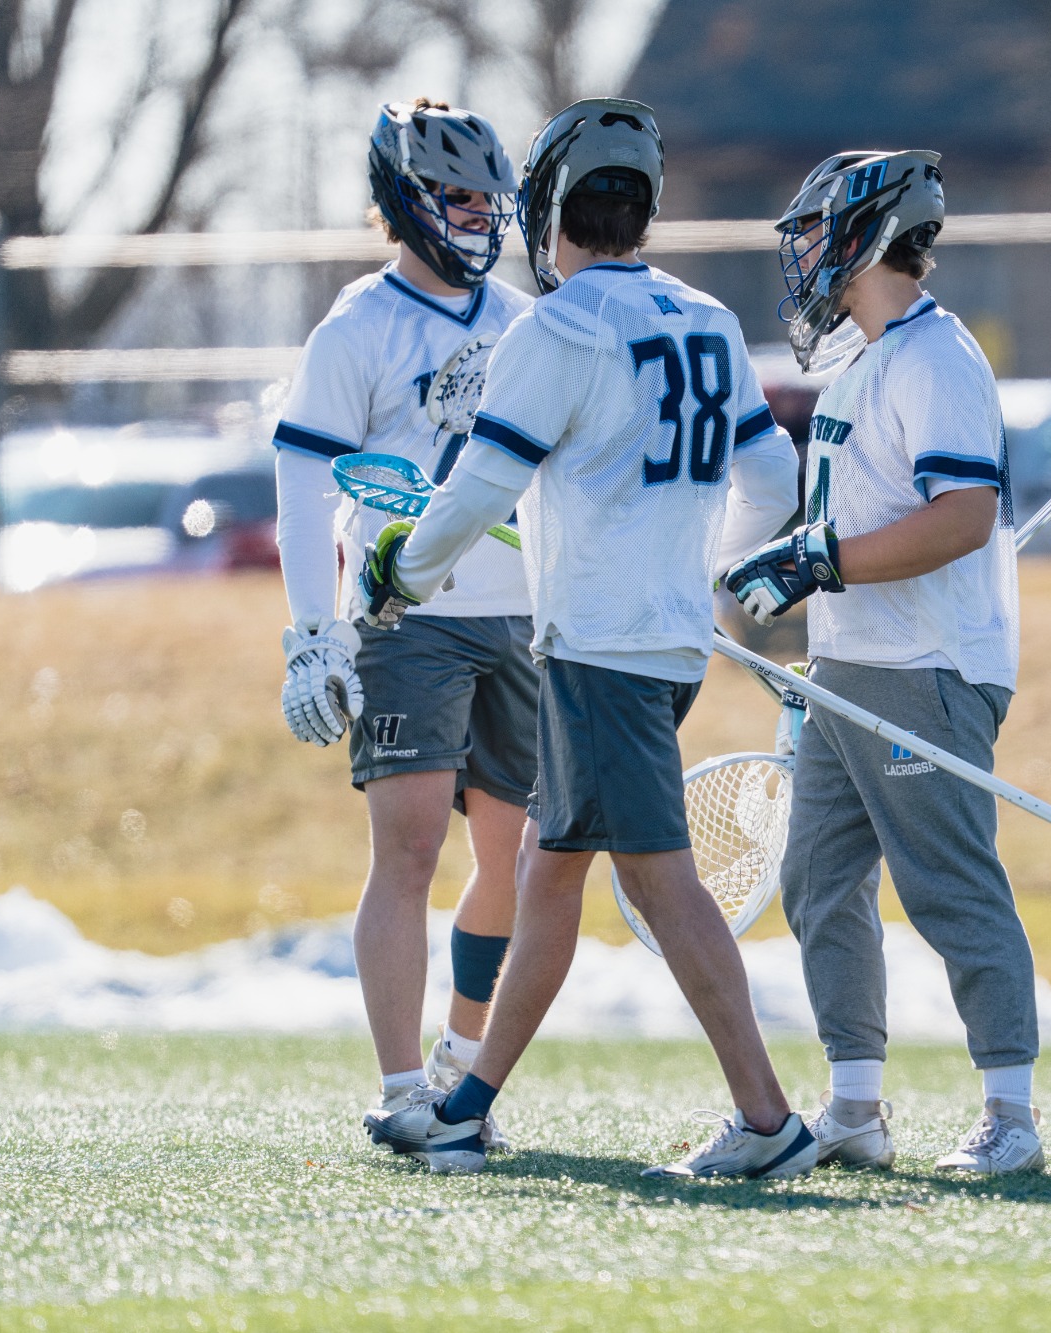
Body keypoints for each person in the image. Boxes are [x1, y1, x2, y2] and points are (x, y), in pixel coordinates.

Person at [357, 98, 813, 1179]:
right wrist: (691, 566)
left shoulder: (553, 326)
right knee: (552, 873)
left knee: (660, 883)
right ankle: (465, 1103)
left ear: (547, 209)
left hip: (601, 648)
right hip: (660, 642)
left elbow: (477, 486)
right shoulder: (701, 316)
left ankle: (766, 1120)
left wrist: (401, 573)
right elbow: (772, 480)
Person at [724, 149, 1042, 1176]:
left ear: (863, 233)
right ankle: (853, 1104)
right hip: (849, 668)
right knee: (818, 882)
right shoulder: (864, 360)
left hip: (926, 665)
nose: (804, 257)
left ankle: (1010, 1110)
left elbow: (960, 518)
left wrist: (819, 559)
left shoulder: (935, 357)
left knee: (949, 887)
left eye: (815, 233)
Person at [273, 98, 538, 1149]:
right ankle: (398, 1089)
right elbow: (301, 487)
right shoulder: (358, 328)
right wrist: (311, 633)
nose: (475, 218)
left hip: (521, 616)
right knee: (412, 846)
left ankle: (460, 1063)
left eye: (486, 200)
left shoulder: (526, 322)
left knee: (515, 860)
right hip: (404, 616)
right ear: (406, 200)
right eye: (455, 198)